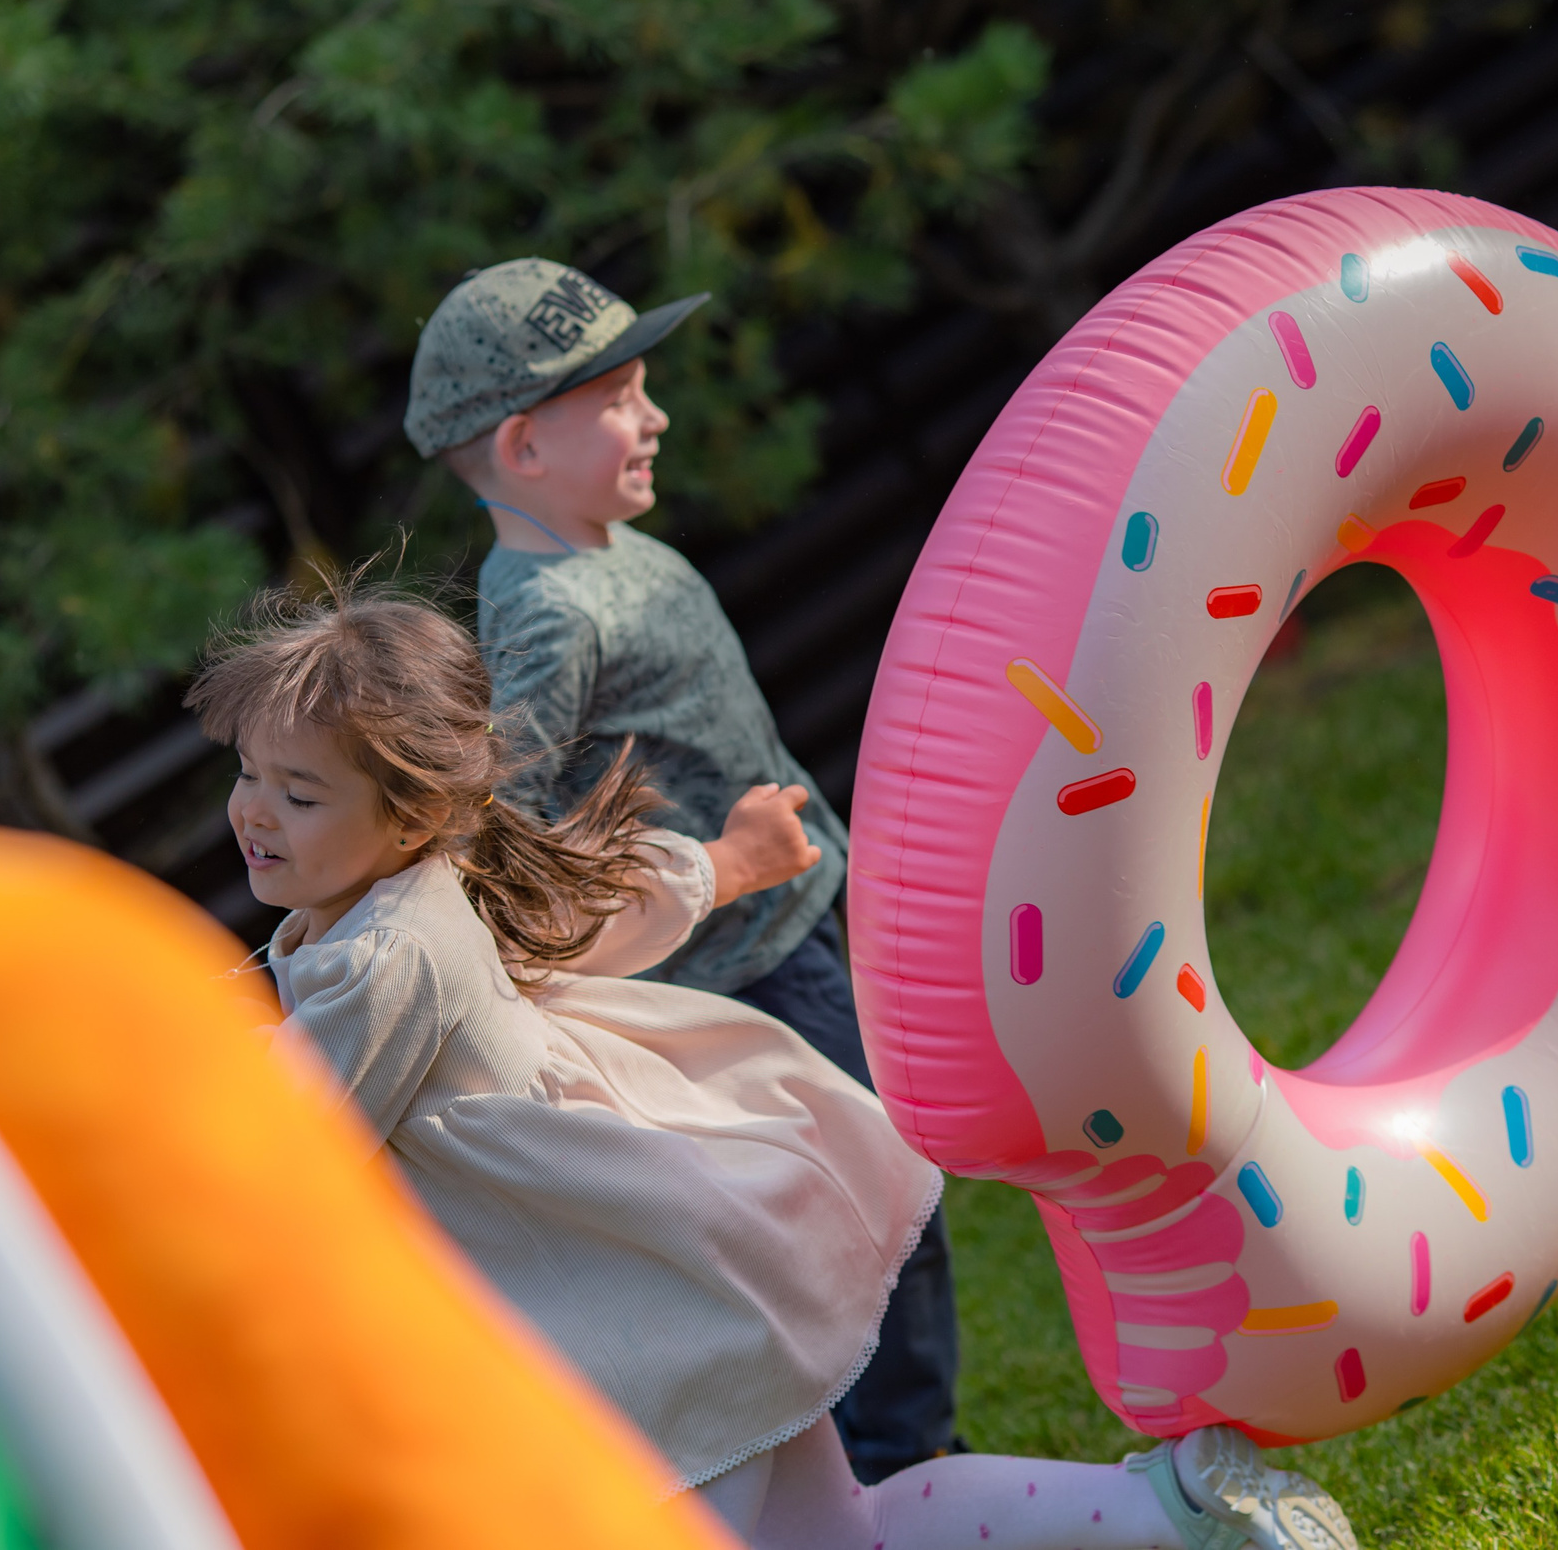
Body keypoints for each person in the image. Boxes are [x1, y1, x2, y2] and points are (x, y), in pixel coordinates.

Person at [182, 588, 1364, 1550]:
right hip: (654, 1296)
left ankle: (1174, 1508)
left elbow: (284, 1135)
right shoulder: (400, 911)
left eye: (299, 792)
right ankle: (1171, 1504)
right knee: (848, 1535)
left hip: (616, 1330)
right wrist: (728, 866)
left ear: (412, 817)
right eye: (247, 774)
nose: (255, 814)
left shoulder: (387, 954)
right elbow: (587, 922)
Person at [402, 255, 966, 1479]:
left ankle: (894, 1453)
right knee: (877, 1195)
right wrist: (721, 867)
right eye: (618, 401)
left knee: (897, 1171)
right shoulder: (548, 613)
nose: (652, 418)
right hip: (740, 964)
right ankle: (900, 1462)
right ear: (523, 447)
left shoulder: (605, 547)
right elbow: (519, 836)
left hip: (805, 910)